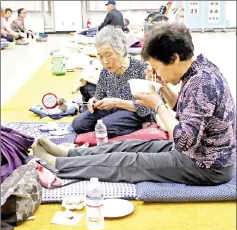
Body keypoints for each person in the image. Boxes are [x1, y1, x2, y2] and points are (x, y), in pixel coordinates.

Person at [32, 23, 236, 186]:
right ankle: (70, 154)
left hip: (206, 166)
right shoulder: (199, 68)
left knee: (128, 162)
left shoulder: (203, 84)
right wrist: (162, 87)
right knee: (127, 146)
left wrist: (157, 105)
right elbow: (182, 108)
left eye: (157, 67)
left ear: (174, 58)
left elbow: (184, 141)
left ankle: (61, 165)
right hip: (194, 151)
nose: (156, 72)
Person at [72, 26, 154, 137]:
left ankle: (136, 126)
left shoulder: (142, 70)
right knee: (78, 124)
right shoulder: (105, 72)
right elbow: (99, 96)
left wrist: (117, 102)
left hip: (134, 112)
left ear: (122, 51)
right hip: (112, 110)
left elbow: (147, 107)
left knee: (106, 125)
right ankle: (112, 126)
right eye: (100, 57)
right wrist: (94, 101)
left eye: (109, 55)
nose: (105, 61)